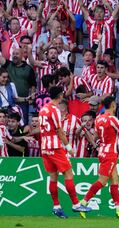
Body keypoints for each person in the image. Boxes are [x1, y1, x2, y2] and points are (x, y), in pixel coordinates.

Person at [38, 86, 91, 218]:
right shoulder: (55, 110)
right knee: (68, 172)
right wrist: (68, 148)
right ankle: (75, 204)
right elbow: (59, 131)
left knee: (53, 176)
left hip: (45, 147)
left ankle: (56, 206)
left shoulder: (43, 109)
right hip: (55, 147)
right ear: (61, 95)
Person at [80, 96, 119, 218]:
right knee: (102, 182)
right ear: (113, 105)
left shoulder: (98, 118)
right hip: (110, 153)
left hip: (103, 151)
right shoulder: (113, 119)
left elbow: (96, 136)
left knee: (115, 181)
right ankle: (83, 203)